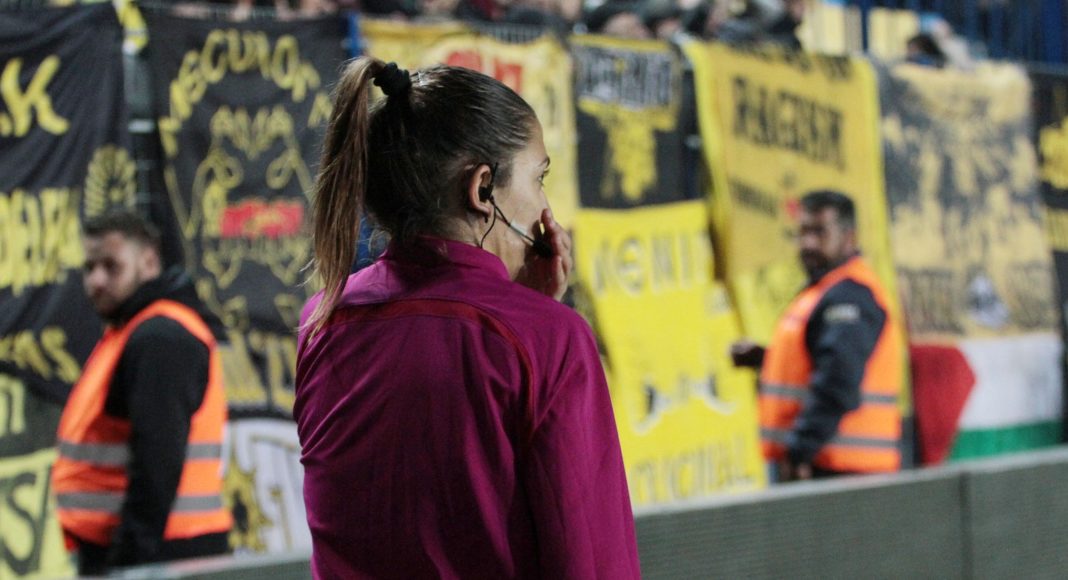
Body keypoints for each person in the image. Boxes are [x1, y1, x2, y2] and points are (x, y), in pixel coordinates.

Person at [295, 58, 640, 578]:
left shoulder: (323, 321)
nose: (545, 207)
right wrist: (537, 317)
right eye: (539, 179)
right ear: (482, 190)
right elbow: (590, 557)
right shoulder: (549, 338)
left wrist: (522, 305)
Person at [52, 211, 232, 576]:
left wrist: (127, 565)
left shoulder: (160, 337)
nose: (96, 280)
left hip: (162, 555)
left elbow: (157, 464)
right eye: (89, 267)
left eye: (111, 266)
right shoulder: (132, 331)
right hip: (153, 551)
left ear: (148, 262)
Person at [730, 191, 903, 481]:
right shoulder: (826, 291)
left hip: (839, 472)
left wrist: (800, 449)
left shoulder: (850, 295)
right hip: (828, 466)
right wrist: (765, 359)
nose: (808, 243)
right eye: (803, 232)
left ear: (849, 238)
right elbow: (819, 363)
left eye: (820, 232)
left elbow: (837, 382)